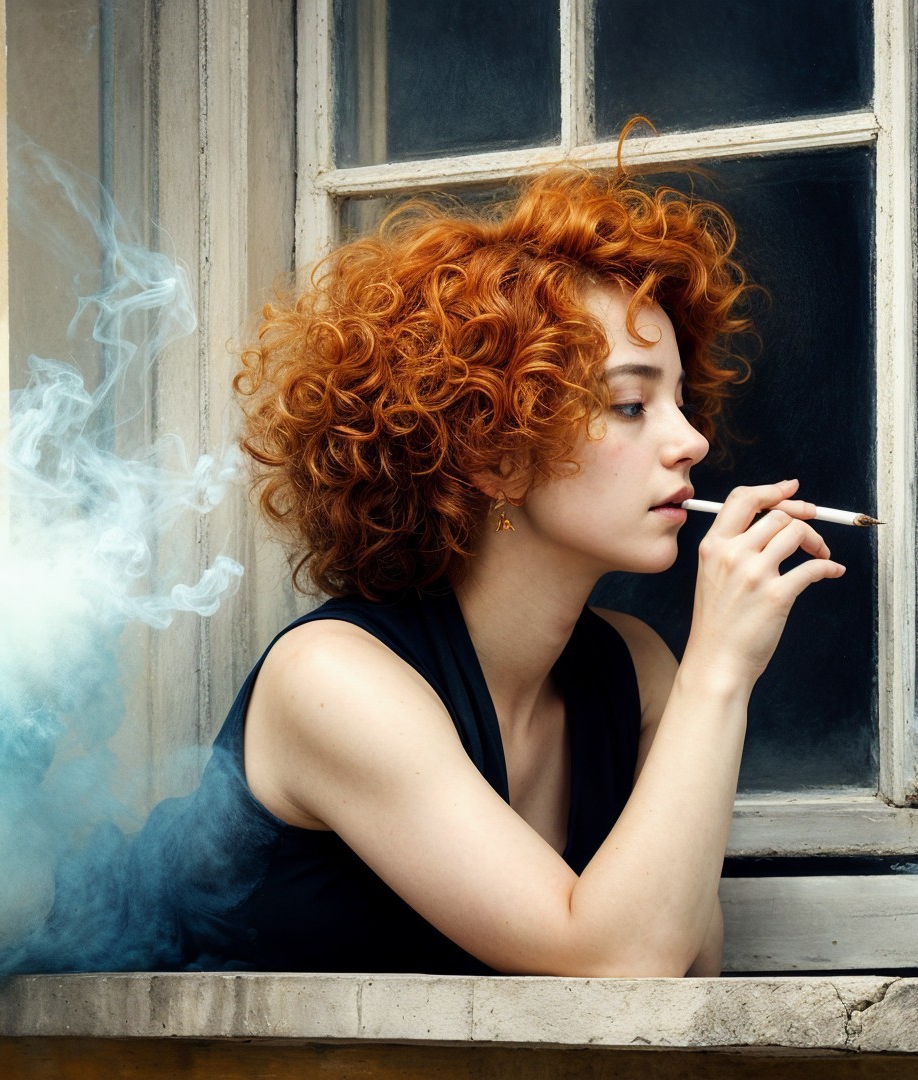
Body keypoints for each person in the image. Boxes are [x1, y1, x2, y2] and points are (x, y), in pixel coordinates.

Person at [152, 163, 846, 977]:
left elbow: (691, 972)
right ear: (495, 455)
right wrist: (720, 668)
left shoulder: (636, 673)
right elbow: (624, 962)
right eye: (631, 405)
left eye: (681, 402)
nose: (691, 441)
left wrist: (702, 680)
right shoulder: (330, 681)